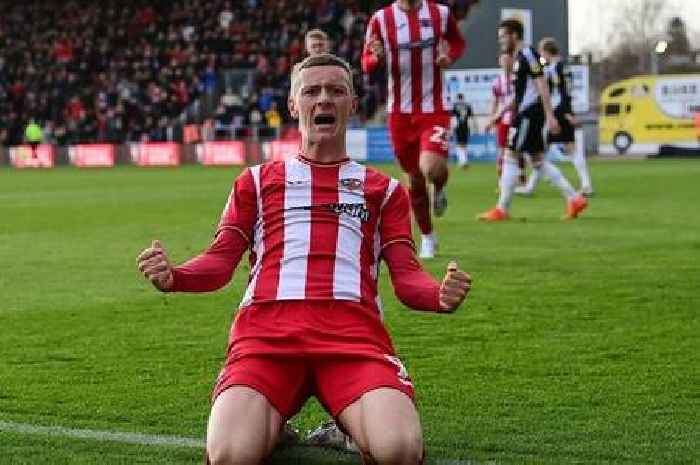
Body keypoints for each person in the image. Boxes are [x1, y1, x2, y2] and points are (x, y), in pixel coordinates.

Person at [136, 54, 472, 465]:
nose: (323, 100)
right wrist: (176, 276)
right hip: (266, 340)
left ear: (352, 103)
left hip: (353, 339)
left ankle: (344, 423)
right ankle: (275, 423)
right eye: (311, 91)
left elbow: (406, 277)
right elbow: (220, 262)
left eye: (336, 90)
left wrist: (438, 295)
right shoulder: (255, 182)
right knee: (229, 454)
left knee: (399, 450)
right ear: (294, 105)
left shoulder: (383, 191)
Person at [362, 0, 466, 258]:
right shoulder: (381, 19)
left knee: (432, 168)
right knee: (415, 179)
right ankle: (428, 237)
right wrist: (376, 58)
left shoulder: (440, 14)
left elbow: (458, 42)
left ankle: (439, 187)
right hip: (399, 113)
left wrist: (448, 56)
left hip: (434, 109)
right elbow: (366, 62)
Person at [478, 19, 588, 222]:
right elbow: (519, 95)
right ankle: (574, 198)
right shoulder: (519, 58)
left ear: (514, 35)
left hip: (529, 115)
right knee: (537, 161)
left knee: (511, 156)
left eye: (503, 36)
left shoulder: (528, 54)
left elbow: (542, 85)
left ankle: (502, 209)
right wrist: (497, 116)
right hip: (526, 113)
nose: (501, 41)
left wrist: (550, 116)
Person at [516, 37, 593, 197]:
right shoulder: (563, 67)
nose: (540, 55)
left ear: (546, 51)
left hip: (558, 112)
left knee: (549, 151)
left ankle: (584, 185)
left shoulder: (555, 68)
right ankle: (585, 184)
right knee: (549, 150)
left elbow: (560, 92)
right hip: (562, 110)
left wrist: (563, 112)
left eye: (541, 51)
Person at [484, 52, 525, 186]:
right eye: (503, 60)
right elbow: (495, 102)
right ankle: (501, 181)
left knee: (517, 149)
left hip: (516, 118)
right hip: (502, 121)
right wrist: (491, 118)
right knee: (501, 149)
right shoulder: (497, 82)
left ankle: (521, 175)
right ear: (500, 63)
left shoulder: (517, 79)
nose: (506, 63)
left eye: (508, 60)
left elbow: (519, 99)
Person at [452, 93, 476, 168]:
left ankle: (463, 161)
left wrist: (451, 128)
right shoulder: (467, 106)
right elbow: (472, 117)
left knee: (460, 144)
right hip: (466, 126)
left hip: (458, 127)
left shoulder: (455, 106)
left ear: (457, 98)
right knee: (464, 144)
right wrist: (475, 127)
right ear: (463, 98)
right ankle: (464, 161)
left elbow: (452, 117)